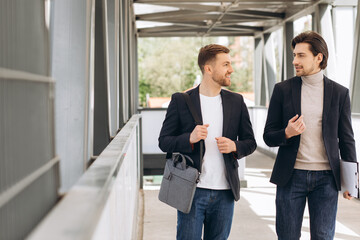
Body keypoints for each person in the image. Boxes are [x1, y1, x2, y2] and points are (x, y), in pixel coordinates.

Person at [263, 31, 357, 240]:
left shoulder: (340, 93)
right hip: (291, 175)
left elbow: (347, 138)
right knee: (287, 236)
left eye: (301, 55)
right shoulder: (283, 90)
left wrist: (351, 182)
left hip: (326, 179)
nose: (295, 61)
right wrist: (287, 133)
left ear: (319, 57)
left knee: (323, 236)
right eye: (294, 55)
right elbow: (268, 136)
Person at [158, 44, 257, 240]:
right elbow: (164, 142)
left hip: (225, 192)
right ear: (208, 69)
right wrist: (189, 138)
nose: (231, 69)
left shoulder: (236, 101)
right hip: (192, 190)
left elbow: (250, 142)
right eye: (226, 64)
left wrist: (234, 146)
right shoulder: (181, 101)